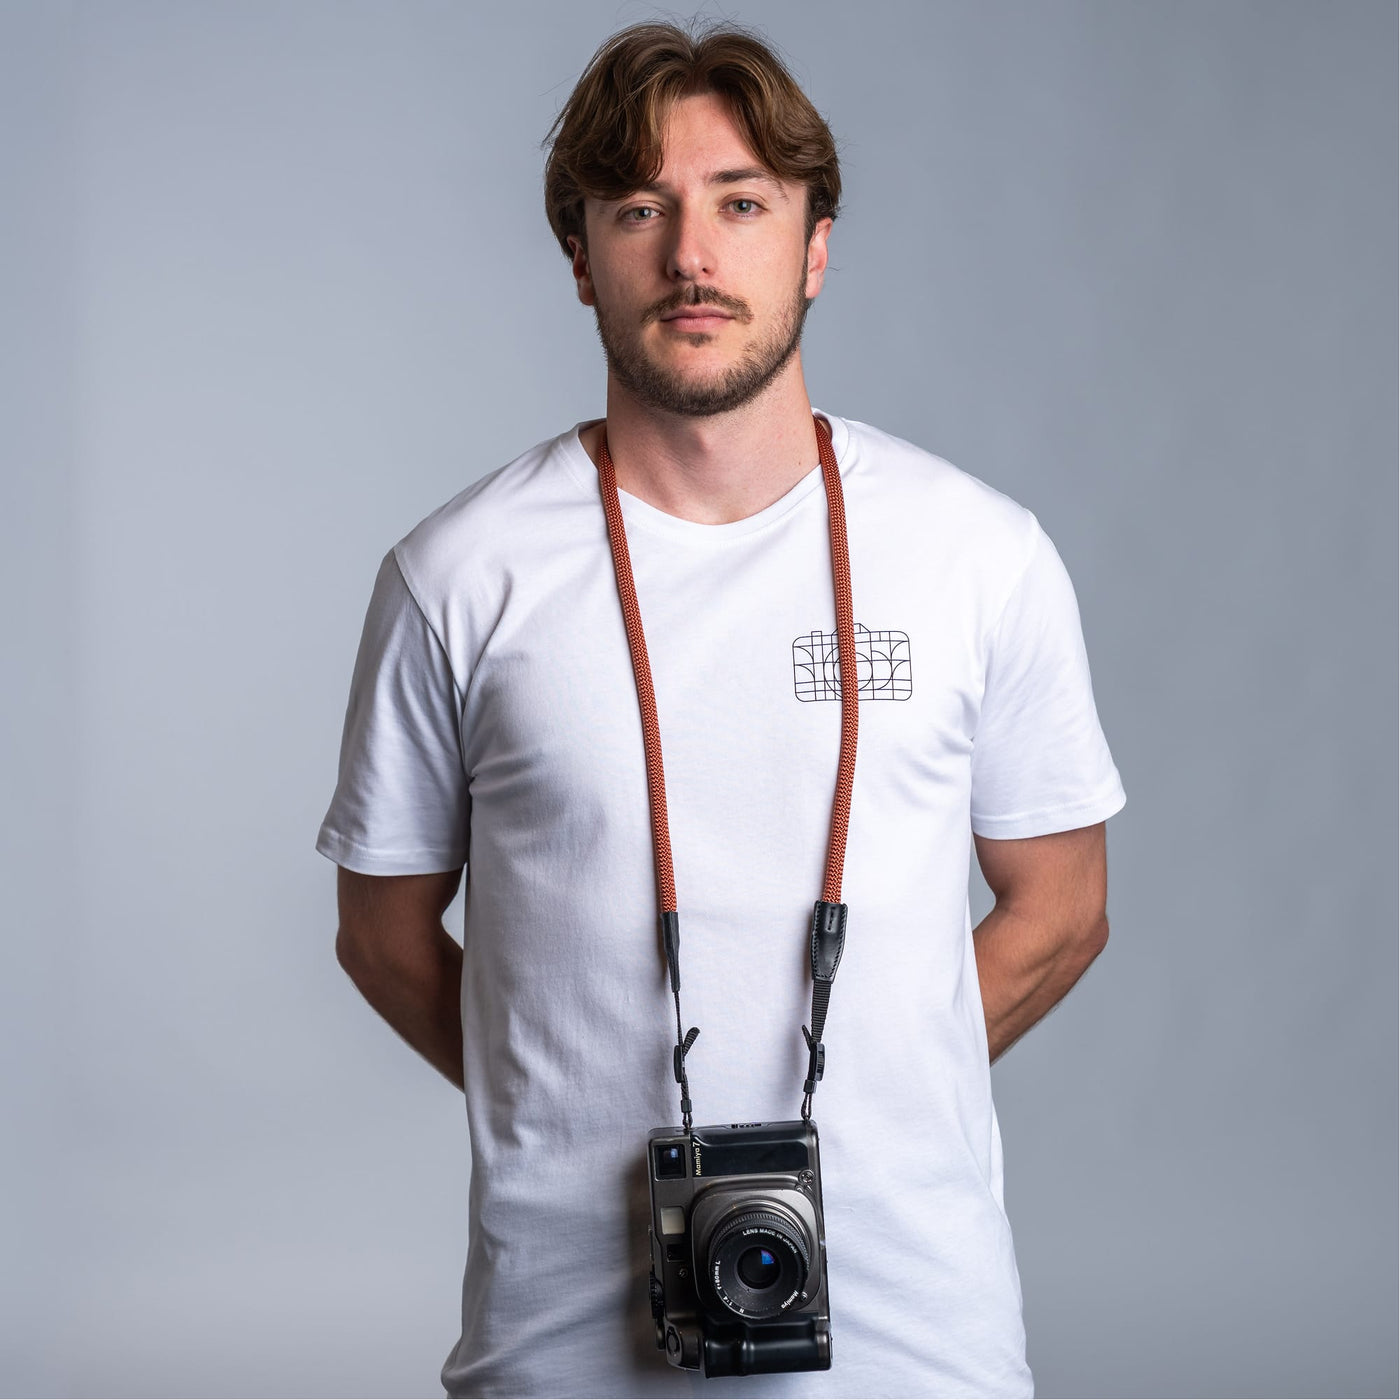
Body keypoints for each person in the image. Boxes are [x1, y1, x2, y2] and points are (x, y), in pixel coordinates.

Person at [316, 20, 1126, 1400]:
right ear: (581, 256)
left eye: (742, 203)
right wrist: (564, 1113)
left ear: (814, 246)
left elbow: (1063, 909)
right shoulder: (460, 575)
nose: (693, 255)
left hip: (913, 1339)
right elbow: (383, 939)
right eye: (641, 209)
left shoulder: (978, 556)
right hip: (563, 1343)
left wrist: (880, 1078)